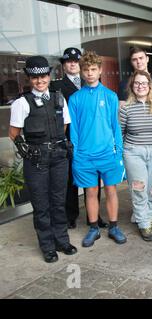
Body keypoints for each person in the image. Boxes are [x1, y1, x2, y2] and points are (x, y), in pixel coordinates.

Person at [9, 56, 77, 263]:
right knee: (41, 205)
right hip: (36, 160)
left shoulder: (59, 98)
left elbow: (64, 126)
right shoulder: (22, 102)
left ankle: (62, 241)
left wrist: (55, 145)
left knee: (58, 202)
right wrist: (28, 149)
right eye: (35, 77)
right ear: (29, 78)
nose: (40, 81)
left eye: (43, 76)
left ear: (49, 76)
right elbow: (14, 133)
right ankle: (47, 246)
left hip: (58, 157)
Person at [69, 51, 127, 248]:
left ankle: (113, 226)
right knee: (91, 191)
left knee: (111, 189)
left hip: (108, 153)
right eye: (86, 70)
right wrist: (76, 154)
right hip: (85, 155)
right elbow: (74, 130)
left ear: (100, 70)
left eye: (94, 69)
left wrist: (118, 150)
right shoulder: (75, 98)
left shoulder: (111, 96)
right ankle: (93, 228)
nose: (90, 73)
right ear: (82, 71)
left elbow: (115, 125)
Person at [51, 47, 107, 229]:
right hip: (67, 140)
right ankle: (71, 215)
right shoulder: (56, 86)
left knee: (93, 180)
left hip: (91, 140)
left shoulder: (91, 82)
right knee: (70, 180)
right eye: (69, 61)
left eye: (76, 61)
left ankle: (95, 215)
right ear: (64, 65)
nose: (73, 64)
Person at [118, 46, 152, 220]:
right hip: (134, 146)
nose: (138, 61)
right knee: (138, 182)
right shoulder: (124, 85)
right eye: (134, 59)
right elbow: (122, 121)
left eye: (141, 58)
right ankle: (140, 214)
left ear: (147, 58)